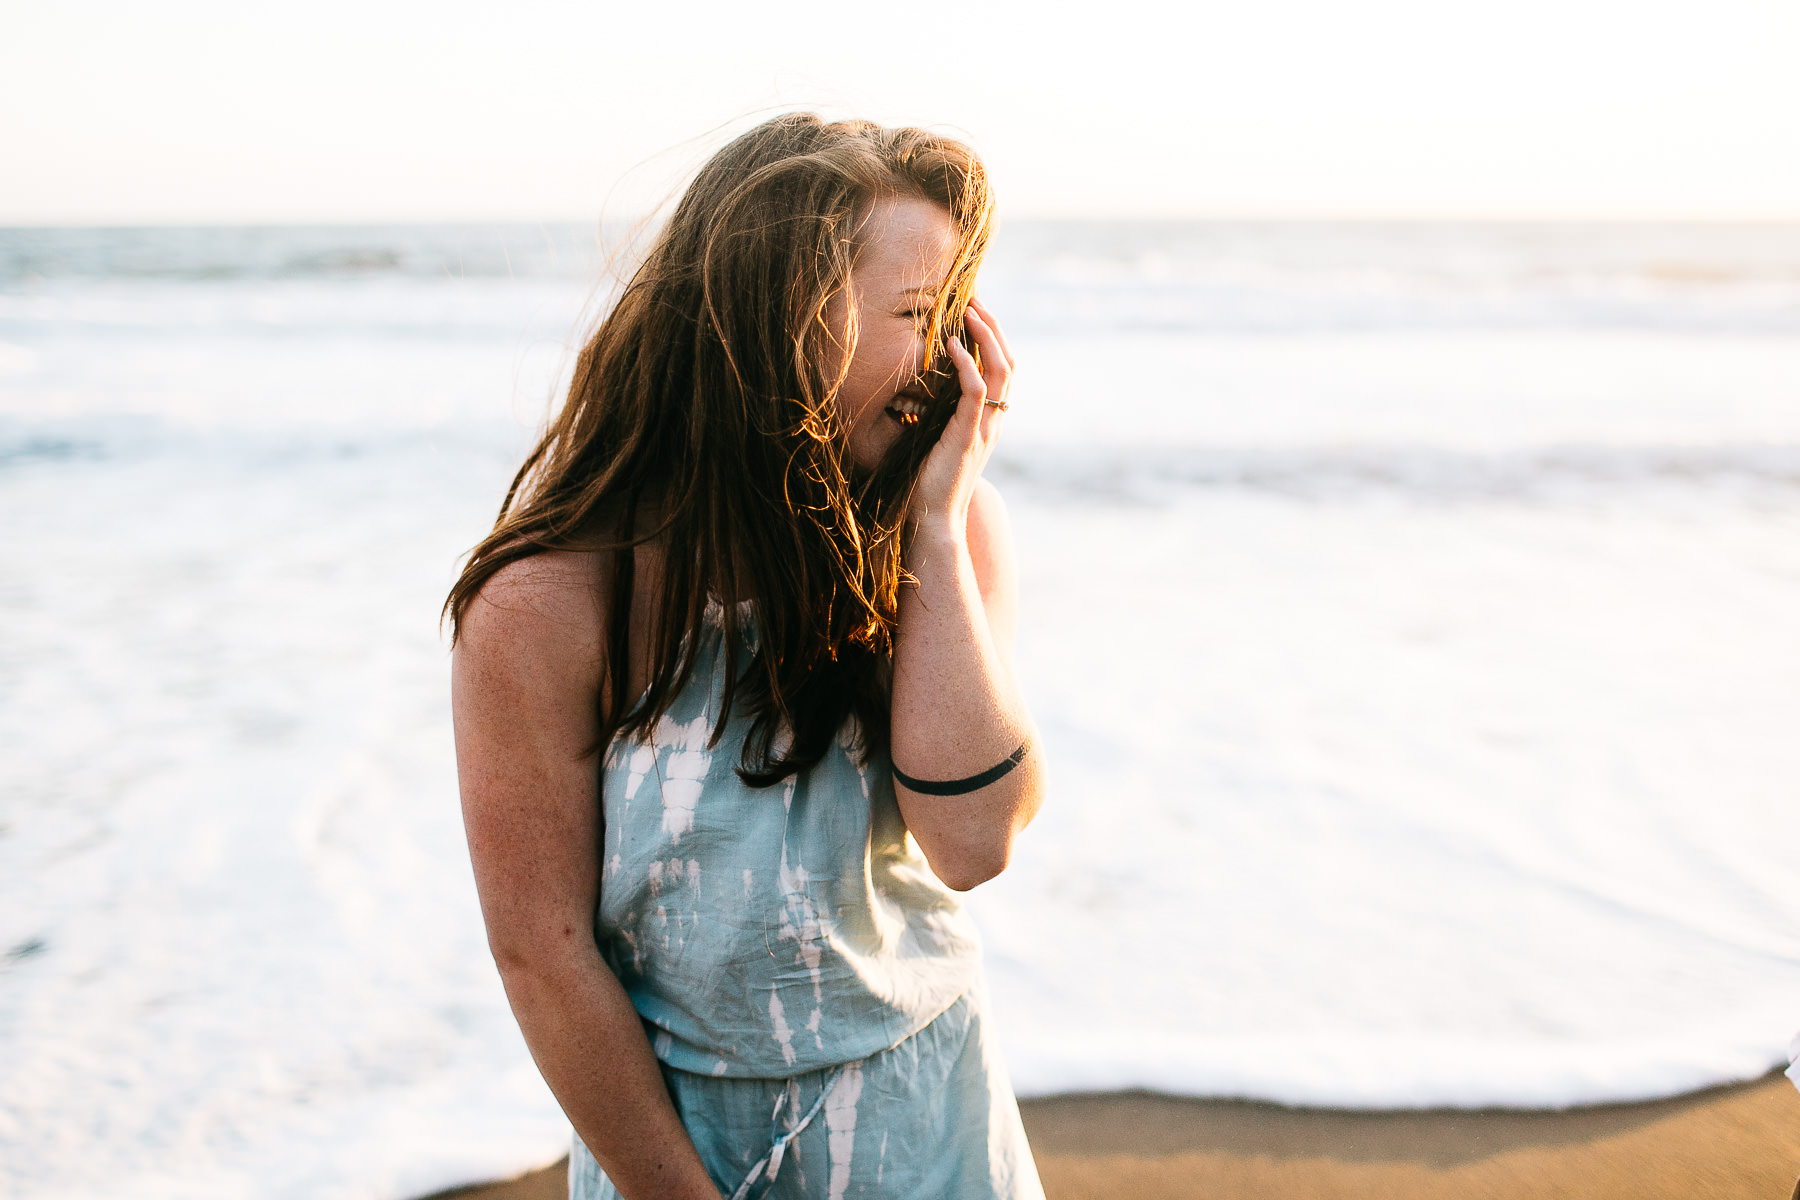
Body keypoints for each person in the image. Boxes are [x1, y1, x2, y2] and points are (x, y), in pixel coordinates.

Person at [447, 113, 1046, 1200]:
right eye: (919, 315)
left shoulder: (943, 540)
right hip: (680, 1156)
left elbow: (970, 843)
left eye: (958, 314)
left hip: (935, 1127)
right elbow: (544, 956)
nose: (951, 359)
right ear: (782, 324)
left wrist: (938, 527)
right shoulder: (548, 601)